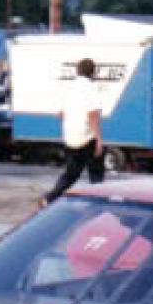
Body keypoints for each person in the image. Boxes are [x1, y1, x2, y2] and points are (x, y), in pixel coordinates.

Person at [44, 58, 104, 206]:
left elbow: (60, 114)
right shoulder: (91, 88)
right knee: (96, 172)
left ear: (78, 71)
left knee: (71, 174)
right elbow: (92, 115)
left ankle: (50, 198)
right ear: (92, 72)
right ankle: (98, 202)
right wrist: (98, 139)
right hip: (86, 136)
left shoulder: (69, 88)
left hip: (70, 137)